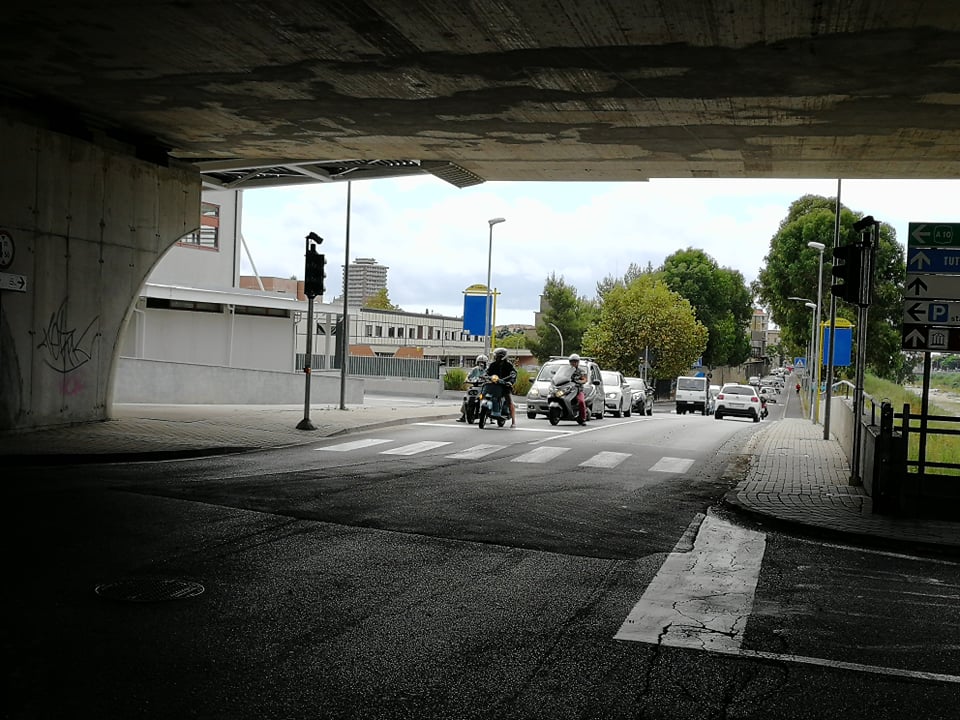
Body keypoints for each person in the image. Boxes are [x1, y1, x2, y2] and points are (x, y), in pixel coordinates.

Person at [486, 347, 517, 427]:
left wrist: (510, 382)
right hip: (493, 384)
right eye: (495, 356)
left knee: (509, 400)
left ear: (502, 357)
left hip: (504, 385)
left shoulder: (509, 365)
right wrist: (484, 376)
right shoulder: (493, 365)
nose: (496, 357)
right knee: (484, 393)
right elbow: (487, 372)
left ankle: (513, 422)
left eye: (497, 356)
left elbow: (513, 374)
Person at [456, 354, 489, 422]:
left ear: (486, 363)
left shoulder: (488, 370)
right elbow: (469, 376)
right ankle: (464, 415)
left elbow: (491, 377)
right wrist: (466, 380)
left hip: (483, 386)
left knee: (487, 398)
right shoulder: (474, 369)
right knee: (466, 398)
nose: (481, 364)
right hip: (474, 386)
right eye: (479, 362)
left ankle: (489, 416)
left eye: (483, 362)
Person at [568, 353, 589, 425]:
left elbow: (585, 379)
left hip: (578, 390)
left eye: (575, 361)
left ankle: (583, 419)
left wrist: (580, 381)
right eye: (572, 361)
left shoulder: (581, 371)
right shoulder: (566, 370)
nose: (573, 363)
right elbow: (561, 377)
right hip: (567, 390)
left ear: (578, 362)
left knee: (581, 401)